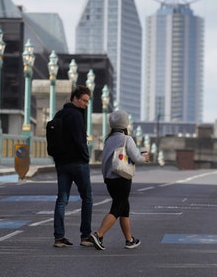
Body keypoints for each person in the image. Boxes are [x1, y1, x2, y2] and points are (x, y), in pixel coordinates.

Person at [89, 110, 150, 250]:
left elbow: (104, 161)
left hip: (109, 179)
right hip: (122, 178)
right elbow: (136, 158)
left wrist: (106, 177)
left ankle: (129, 240)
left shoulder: (108, 140)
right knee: (117, 209)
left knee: (124, 208)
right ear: (126, 124)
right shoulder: (126, 139)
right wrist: (145, 157)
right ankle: (99, 234)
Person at [52, 85, 94, 248]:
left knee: (62, 199)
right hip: (77, 163)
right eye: (83, 100)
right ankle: (85, 236)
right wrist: (86, 157)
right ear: (75, 98)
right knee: (87, 198)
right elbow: (79, 140)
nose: (85, 104)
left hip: (62, 163)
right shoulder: (76, 115)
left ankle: (59, 238)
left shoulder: (59, 114)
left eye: (87, 101)